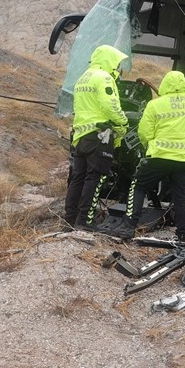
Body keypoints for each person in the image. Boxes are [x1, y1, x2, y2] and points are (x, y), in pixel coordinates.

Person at [114, 70, 185, 243]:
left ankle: (128, 227)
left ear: (165, 85)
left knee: (138, 185)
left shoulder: (155, 104)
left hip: (159, 156)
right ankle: (183, 234)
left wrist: (150, 145)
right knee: (182, 196)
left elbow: (144, 132)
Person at [64, 45, 130, 231]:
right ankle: (85, 220)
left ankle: (70, 219)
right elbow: (110, 106)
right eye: (116, 63)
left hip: (81, 135)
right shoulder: (104, 78)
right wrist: (123, 121)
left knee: (78, 178)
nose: (117, 67)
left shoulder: (83, 78)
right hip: (99, 135)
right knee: (95, 178)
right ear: (109, 60)